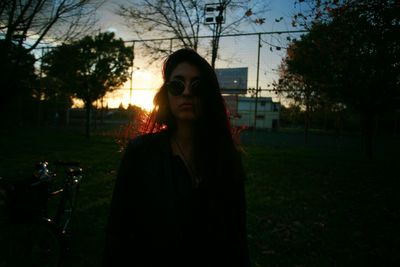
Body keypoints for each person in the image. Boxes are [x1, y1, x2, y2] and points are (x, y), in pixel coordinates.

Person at [103, 48, 251, 267]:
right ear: (167, 94)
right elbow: (118, 232)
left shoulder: (227, 159)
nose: (187, 92)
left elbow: (236, 238)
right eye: (177, 85)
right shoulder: (140, 154)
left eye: (197, 85)